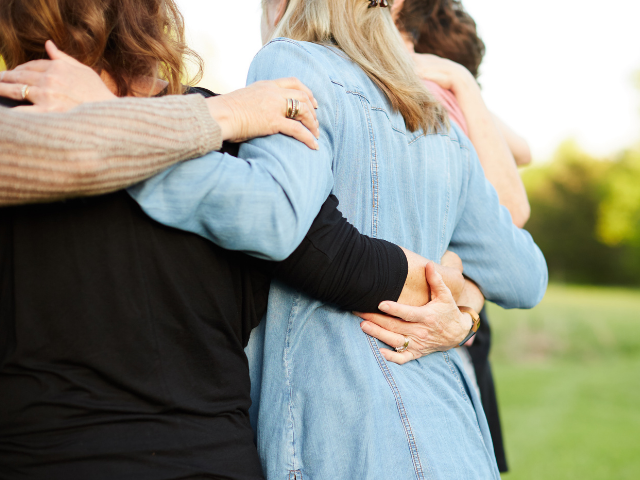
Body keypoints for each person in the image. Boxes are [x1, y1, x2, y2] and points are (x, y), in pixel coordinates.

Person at [36, 0, 545, 477]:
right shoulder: (435, 117)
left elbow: (272, 215)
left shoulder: (290, 61)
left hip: (345, 436)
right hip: (455, 435)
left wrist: (114, 127)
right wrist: (457, 304)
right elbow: (525, 274)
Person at [393, 0, 533, 470]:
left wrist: (463, 84)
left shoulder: (438, 96)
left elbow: (515, 205)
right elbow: (523, 150)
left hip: (450, 307)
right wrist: (463, 84)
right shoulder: (442, 92)